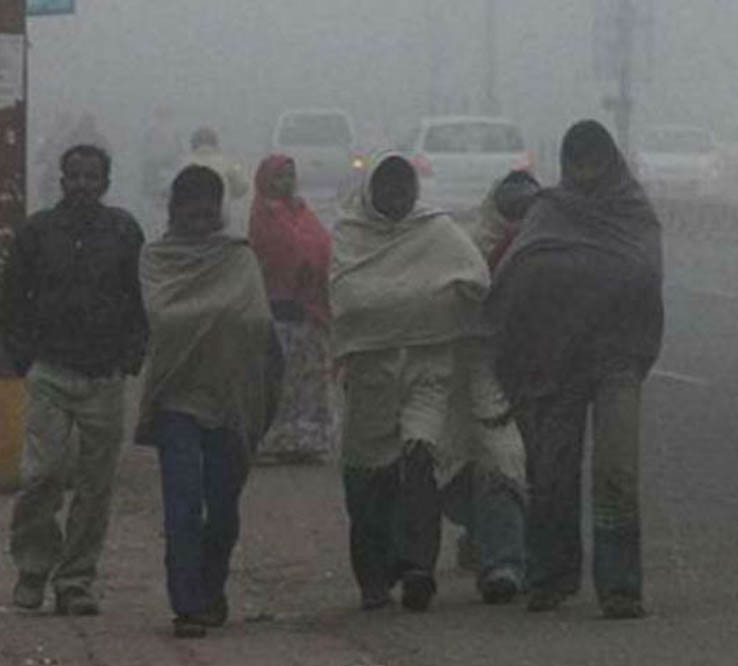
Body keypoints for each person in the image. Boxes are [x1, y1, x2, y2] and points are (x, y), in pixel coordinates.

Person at [486, 120, 664, 619]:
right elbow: (519, 270)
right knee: (552, 469)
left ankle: (620, 587)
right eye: (577, 162)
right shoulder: (551, 210)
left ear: (610, 162)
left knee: (616, 470)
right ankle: (551, 577)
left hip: (617, 355)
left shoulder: (633, 211)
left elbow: (644, 275)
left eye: (594, 161)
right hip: (556, 357)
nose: (585, 172)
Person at [329, 152, 491, 612]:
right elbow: (350, 299)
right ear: (371, 191)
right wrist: (420, 299)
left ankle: (419, 566)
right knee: (369, 477)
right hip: (371, 374)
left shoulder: (436, 231)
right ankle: (374, 578)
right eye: (388, 186)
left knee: (421, 460)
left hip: (428, 366)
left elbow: (477, 280)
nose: (397, 196)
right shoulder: (351, 236)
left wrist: (428, 307)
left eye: (405, 186)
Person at [134, 165, 283, 638]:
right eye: (190, 208)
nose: (200, 217)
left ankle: (210, 587)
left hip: (232, 398)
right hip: (177, 396)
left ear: (219, 210)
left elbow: (257, 322)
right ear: (174, 210)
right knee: (183, 504)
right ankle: (187, 604)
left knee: (222, 508)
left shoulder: (238, 257)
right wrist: (217, 314)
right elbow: (163, 315)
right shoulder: (157, 259)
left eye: (208, 208)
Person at [1, 144, 148, 616]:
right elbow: (12, 298)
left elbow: (140, 297)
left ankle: (76, 580)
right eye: (75, 176)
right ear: (62, 180)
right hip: (49, 370)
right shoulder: (37, 232)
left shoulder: (123, 231)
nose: (83, 184)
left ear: (106, 183)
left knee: (94, 484)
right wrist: (20, 357)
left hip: (104, 375)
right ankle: (32, 570)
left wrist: (131, 356)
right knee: (42, 475)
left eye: (92, 176)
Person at [442, 169, 542, 601]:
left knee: (521, 458)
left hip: (534, 366)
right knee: (477, 457)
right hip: (474, 362)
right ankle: (497, 551)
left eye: (527, 206)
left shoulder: (547, 243)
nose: (519, 214)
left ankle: (509, 556)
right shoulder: (467, 246)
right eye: (512, 205)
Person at [248, 155, 336, 464]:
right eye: (279, 176)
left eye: (290, 176)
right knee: (280, 381)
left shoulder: (300, 211)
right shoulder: (263, 216)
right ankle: (274, 440)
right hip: (279, 310)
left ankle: (307, 441)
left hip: (307, 310)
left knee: (308, 379)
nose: (285, 183)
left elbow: (322, 245)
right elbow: (283, 252)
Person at [182, 127, 250, 230]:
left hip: (189, 218)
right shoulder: (227, 163)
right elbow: (243, 186)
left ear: (193, 144)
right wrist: (228, 193)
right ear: (215, 143)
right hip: (219, 215)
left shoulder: (184, 163)